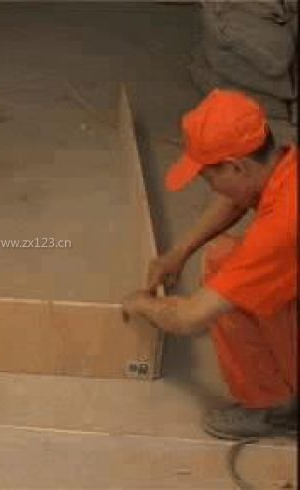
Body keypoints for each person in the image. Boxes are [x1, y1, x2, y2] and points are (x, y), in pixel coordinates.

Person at [122, 89, 297, 440]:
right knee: (224, 259)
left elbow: (190, 317)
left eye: (208, 177)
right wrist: (179, 252)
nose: (211, 186)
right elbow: (237, 198)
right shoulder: (282, 167)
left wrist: (141, 304)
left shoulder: (285, 223)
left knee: (228, 280)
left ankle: (277, 411)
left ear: (236, 166)